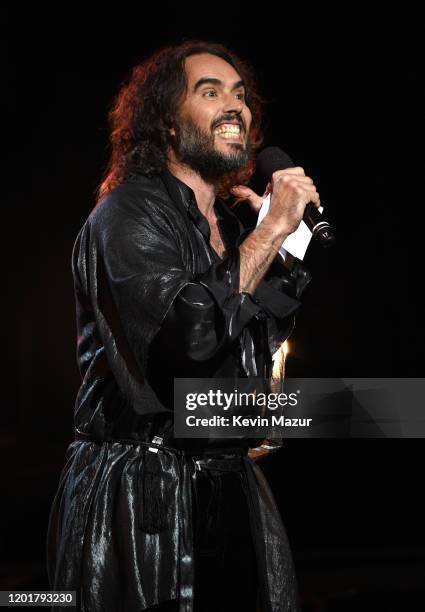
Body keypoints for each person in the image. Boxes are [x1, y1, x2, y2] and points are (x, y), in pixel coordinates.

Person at [46, 41, 320, 612]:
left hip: (227, 481)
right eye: (210, 92)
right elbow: (188, 337)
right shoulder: (127, 213)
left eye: (240, 95)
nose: (234, 107)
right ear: (168, 123)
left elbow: (253, 343)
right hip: (145, 494)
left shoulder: (229, 220)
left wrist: (283, 251)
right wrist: (268, 235)